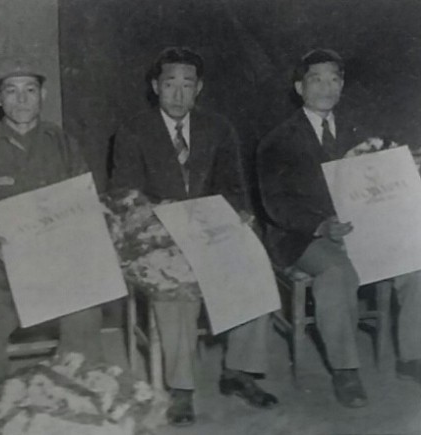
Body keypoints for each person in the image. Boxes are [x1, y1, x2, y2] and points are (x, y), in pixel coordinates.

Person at [111, 47, 277, 427]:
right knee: (176, 285)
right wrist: (163, 213)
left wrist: (238, 213)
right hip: (155, 236)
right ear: (156, 86)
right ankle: (182, 389)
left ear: (199, 88)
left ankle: (239, 372)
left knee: (253, 267)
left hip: (207, 230)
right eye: (170, 84)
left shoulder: (218, 128)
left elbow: (233, 186)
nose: (179, 94)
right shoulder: (133, 131)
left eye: (188, 84)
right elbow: (124, 195)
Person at [257, 48, 421, 408]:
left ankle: (413, 357)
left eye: (334, 79)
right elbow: (275, 205)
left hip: (362, 231)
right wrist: (320, 226)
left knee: (415, 265)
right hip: (303, 237)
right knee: (336, 271)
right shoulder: (277, 141)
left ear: (342, 85)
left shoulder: (360, 131)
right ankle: (346, 371)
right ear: (300, 87)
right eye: (316, 79)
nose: (326, 88)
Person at [0, 53, 103, 390]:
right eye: (11, 91)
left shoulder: (65, 144)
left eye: (30, 90)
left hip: (59, 263)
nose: (21, 99)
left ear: (43, 95)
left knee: (85, 309)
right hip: (2, 267)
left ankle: (75, 395)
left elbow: (85, 205)